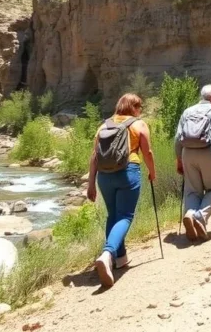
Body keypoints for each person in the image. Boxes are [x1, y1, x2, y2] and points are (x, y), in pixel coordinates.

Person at [87, 93, 156, 288]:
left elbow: (94, 156)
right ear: (133, 107)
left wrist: (90, 183)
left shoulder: (103, 126)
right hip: (128, 171)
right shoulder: (138, 124)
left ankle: (120, 258)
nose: (140, 110)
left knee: (113, 216)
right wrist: (152, 172)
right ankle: (108, 253)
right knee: (125, 216)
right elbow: (147, 152)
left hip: (104, 176)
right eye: (139, 107)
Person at [174, 84, 211, 242]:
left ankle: (190, 213)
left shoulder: (187, 111)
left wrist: (179, 159)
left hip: (187, 153)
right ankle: (200, 217)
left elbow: (177, 139)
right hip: (208, 153)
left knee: (192, 191)